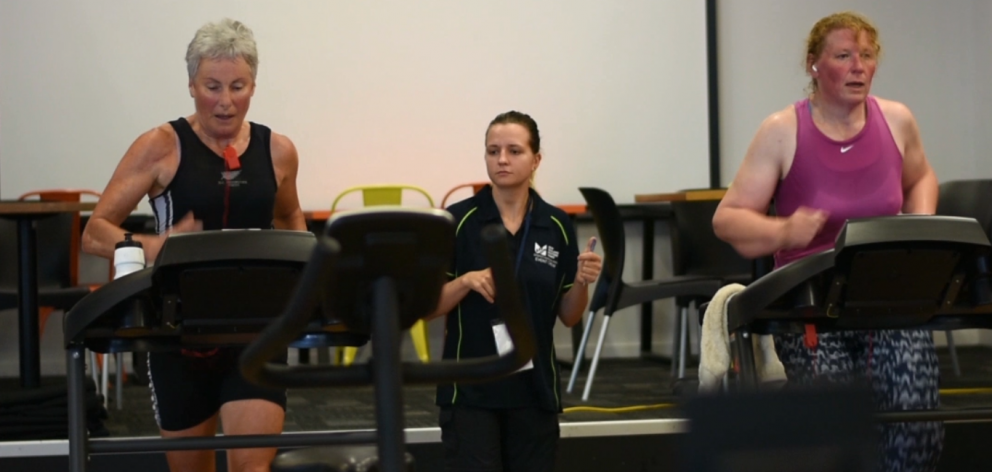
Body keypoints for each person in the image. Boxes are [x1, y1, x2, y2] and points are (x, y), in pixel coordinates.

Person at [712, 11, 941, 472]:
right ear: (814, 65)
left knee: (912, 414)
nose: (858, 67)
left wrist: (917, 226)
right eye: (843, 56)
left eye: (867, 55)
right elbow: (727, 219)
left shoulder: (897, 120)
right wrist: (783, 230)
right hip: (811, 301)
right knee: (836, 429)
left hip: (885, 295)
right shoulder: (782, 130)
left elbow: (921, 177)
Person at [81, 18, 305, 472]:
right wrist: (156, 246)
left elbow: (289, 219)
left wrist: (305, 272)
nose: (225, 102)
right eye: (212, 87)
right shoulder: (160, 146)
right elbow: (95, 232)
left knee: (253, 468)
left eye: (237, 87)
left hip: (255, 327)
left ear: (253, 86)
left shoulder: (278, 150)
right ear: (191, 85)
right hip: (178, 332)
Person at [427, 111, 602, 472]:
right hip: (471, 391)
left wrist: (583, 282)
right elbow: (428, 307)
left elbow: (569, 316)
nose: (502, 159)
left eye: (514, 151)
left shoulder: (556, 224)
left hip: (534, 390)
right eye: (493, 151)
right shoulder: (457, 221)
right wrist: (464, 281)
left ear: (536, 160)